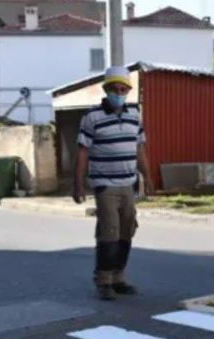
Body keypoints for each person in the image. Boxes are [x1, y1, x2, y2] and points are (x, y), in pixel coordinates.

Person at [72, 66, 153, 301]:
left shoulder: (134, 116)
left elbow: (139, 149)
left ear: (128, 90)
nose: (119, 92)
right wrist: (78, 184)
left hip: (128, 184)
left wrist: (147, 178)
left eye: (123, 89)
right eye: (114, 88)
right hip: (105, 185)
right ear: (106, 89)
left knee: (127, 232)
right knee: (109, 233)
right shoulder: (92, 117)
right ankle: (104, 281)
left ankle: (119, 278)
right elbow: (82, 152)